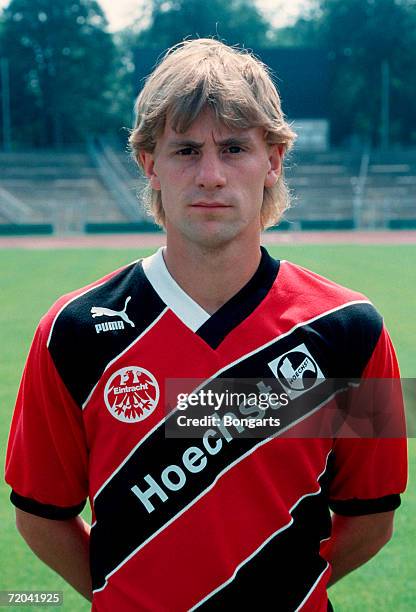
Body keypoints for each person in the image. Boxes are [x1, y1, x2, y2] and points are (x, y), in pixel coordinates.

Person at [5, 39, 407, 611]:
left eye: (236, 148)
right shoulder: (69, 331)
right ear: (150, 164)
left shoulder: (353, 331)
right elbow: (41, 517)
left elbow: (371, 520)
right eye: (186, 150)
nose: (211, 175)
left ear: (273, 161)